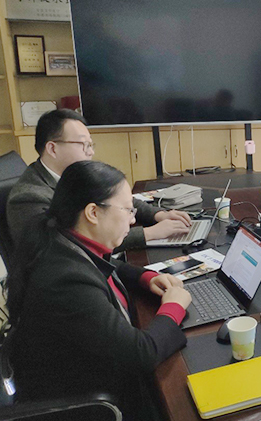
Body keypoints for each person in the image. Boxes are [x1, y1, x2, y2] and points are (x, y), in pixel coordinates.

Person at [6, 160, 192, 420]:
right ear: (93, 212)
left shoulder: (62, 240)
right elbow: (141, 354)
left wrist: (145, 277)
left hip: (84, 371)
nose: (133, 218)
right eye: (127, 210)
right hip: (88, 400)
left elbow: (106, 264)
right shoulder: (66, 280)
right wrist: (174, 306)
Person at [7, 108, 192, 250]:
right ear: (52, 149)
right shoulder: (28, 197)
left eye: (91, 145)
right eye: (83, 145)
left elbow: (116, 199)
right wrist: (150, 233)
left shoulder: (73, 175)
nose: (91, 152)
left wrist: (158, 215)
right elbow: (70, 245)